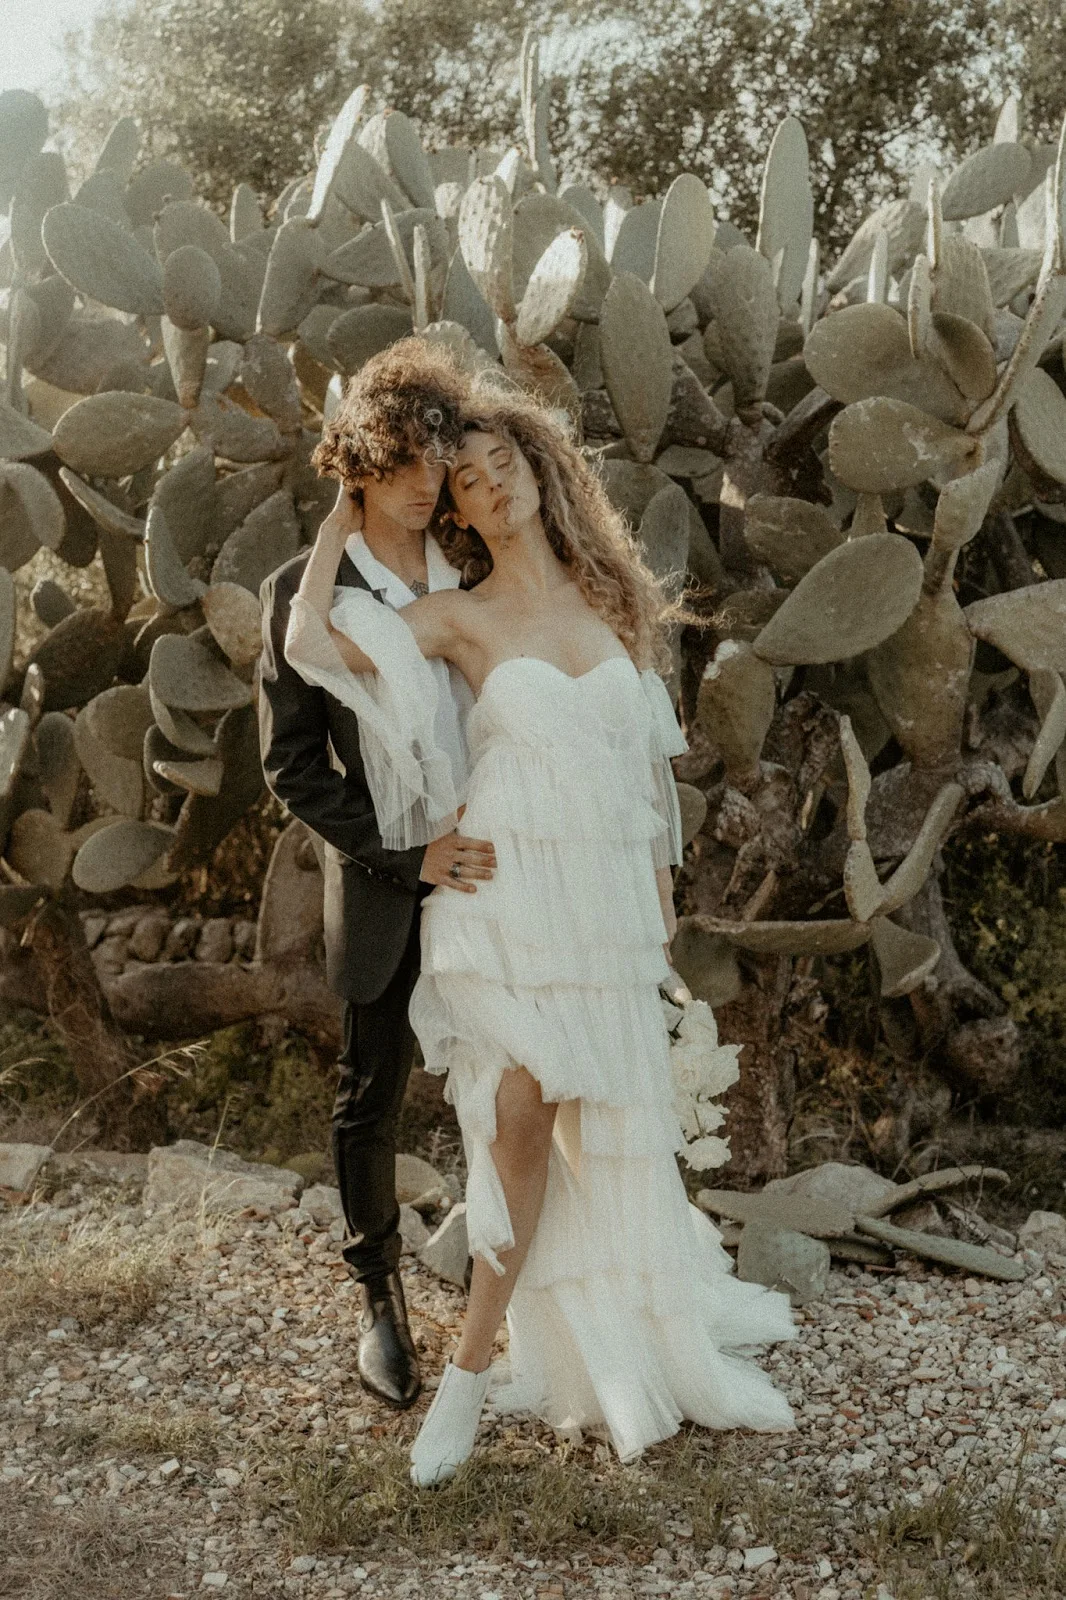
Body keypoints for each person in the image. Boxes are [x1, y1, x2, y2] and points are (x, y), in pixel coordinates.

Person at [284, 342, 799, 1487]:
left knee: (595, 1132)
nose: (487, 485)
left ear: (538, 466)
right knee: (518, 1115)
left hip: (601, 908)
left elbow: (643, 768)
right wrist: (341, 510)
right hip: (504, 890)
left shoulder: (611, 599)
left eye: (500, 463)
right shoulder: (455, 617)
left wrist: (654, 903)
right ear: (457, 512)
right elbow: (313, 645)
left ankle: (611, 1336)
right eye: (464, 480)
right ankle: (467, 1377)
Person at [258, 343, 494, 1412]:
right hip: (386, 881)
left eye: (434, 458)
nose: (420, 480)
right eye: (396, 460)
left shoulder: (478, 563)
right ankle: (380, 1301)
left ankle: (521, 1278)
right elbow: (292, 767)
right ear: (355, 462)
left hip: (501, 864)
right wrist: (405, 854)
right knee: (373, 1094)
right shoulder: (296, 597)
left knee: (521, 1071)